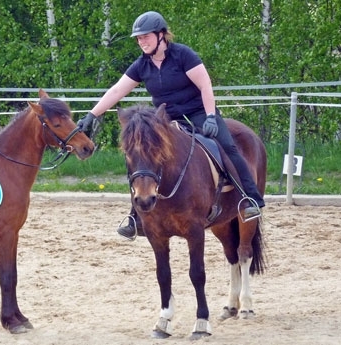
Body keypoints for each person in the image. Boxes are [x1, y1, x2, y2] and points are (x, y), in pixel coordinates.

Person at [78, 11, 265, 240]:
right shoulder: (141, 65)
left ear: (161, 35)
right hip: (165, 120)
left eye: (145, 37)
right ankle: (135, 217)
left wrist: (209, 117)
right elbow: (117, 90)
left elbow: (205, 85)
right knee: (142, 156)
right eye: (138, 38)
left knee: (228, 147)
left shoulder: (183, 55)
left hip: (198, 113)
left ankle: (250, 198)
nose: (141, 42)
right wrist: (92, 115)